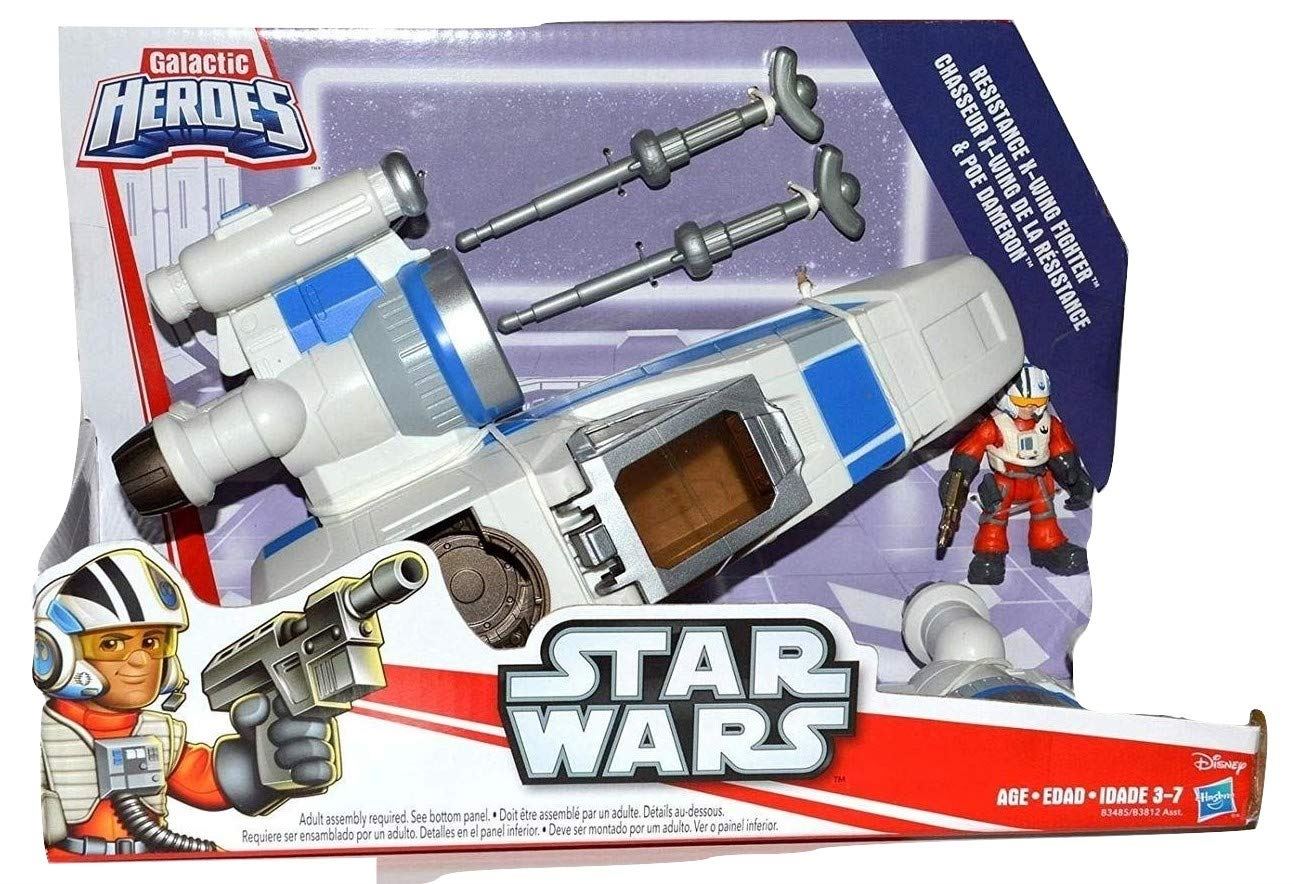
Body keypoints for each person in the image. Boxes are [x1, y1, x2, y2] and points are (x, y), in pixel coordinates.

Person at [34, 544, 338, 856]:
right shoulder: (40, 737)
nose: (141, 660)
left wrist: (266, 758)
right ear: (57, 654)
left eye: (152, 642)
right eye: (112, 644)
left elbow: (204, 781)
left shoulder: (159, 733)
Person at [939, 364, 1093, 585]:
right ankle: (989, 554)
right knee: (995, 518)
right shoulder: (995, 425)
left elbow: (1061, 449)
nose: (1030, 407)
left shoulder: (1048, 424)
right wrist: (958, 476)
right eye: (1022, 402)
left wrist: (1074, 476)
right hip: (1006, 481)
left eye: (1038, 402)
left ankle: (1048, 547)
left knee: (1045, 515)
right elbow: (970, 450)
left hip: (1038, 480)